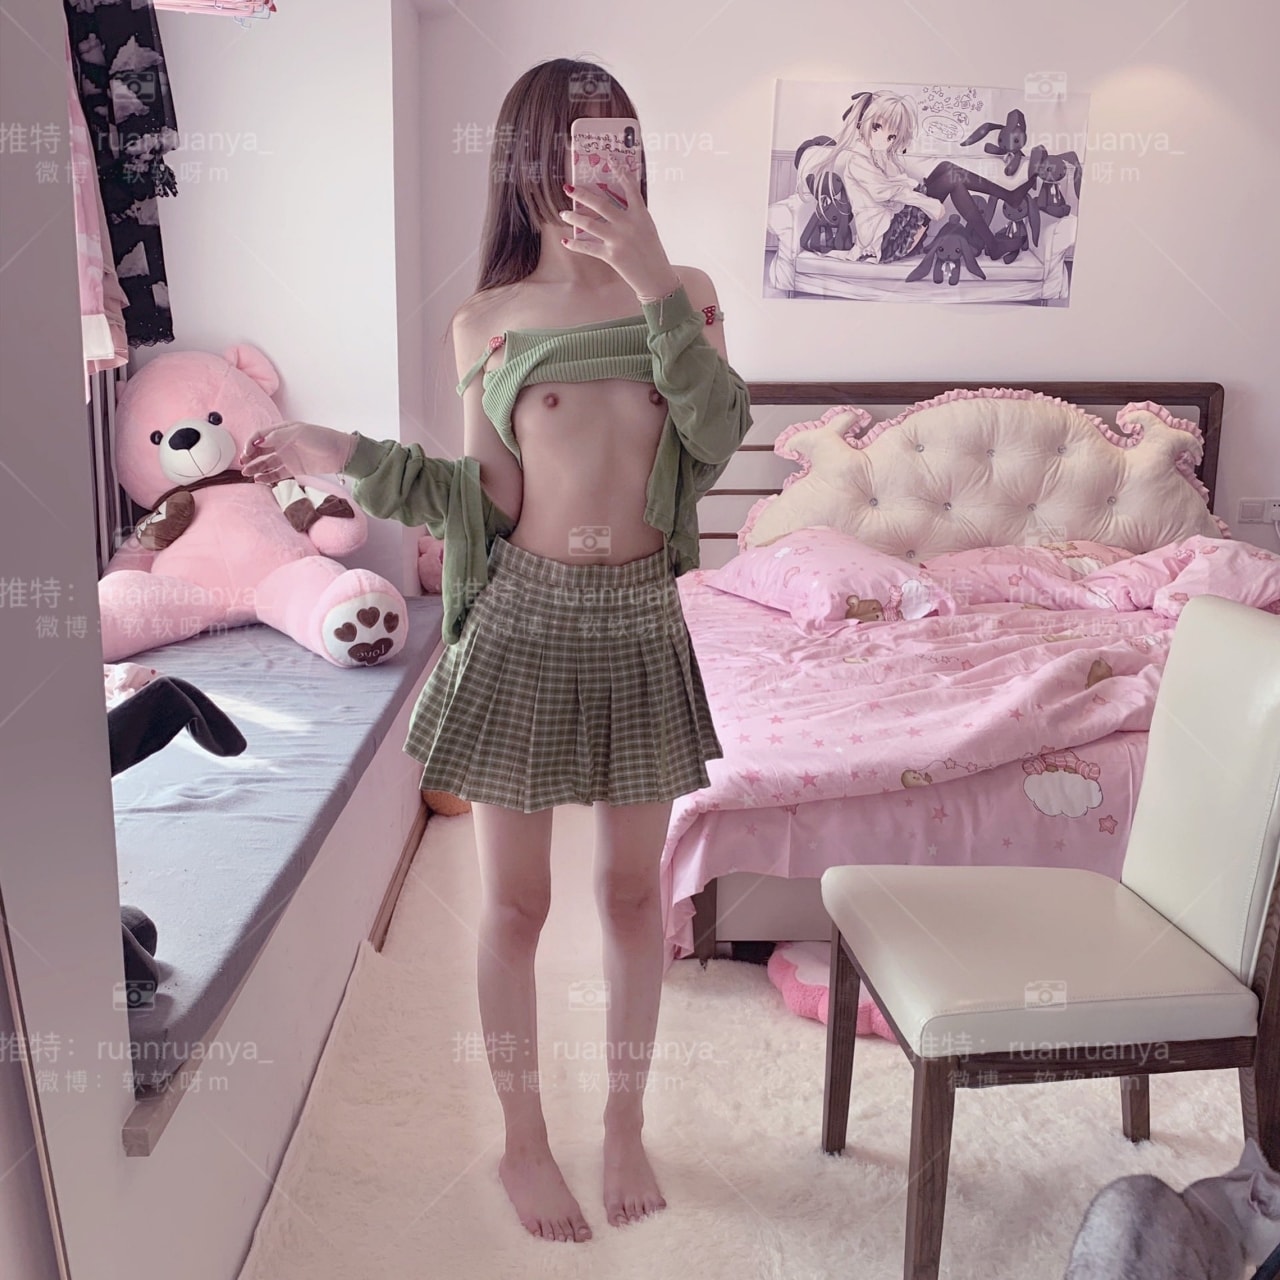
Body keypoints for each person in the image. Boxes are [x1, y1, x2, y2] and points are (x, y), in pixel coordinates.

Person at [239, 58, 752, 1245]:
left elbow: (719, 434)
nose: (602, 164)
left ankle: (622, 1118)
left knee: (629, 892)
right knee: (514, 904)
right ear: (528, 159)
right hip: (522, 620)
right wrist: (342, 448)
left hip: (638, 620)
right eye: (577, 142)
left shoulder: (687, 288)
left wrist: (652, 284)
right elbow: (483, 498)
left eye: (620, 139)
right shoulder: (486, 318)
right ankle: (522, 1138)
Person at [802, 89, 1036, 264]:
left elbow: (899, 183)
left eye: (892, 136)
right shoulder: (857, 160)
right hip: (887, 240)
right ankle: (998, 229)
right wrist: (927, 202)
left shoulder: (878, 155)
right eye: (877, 127)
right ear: (863, 123)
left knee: (946, 169)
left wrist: (919, 191)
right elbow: (884, 192)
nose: (885, 139)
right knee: (950, 178)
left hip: (896, 225)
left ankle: (1005, 210)